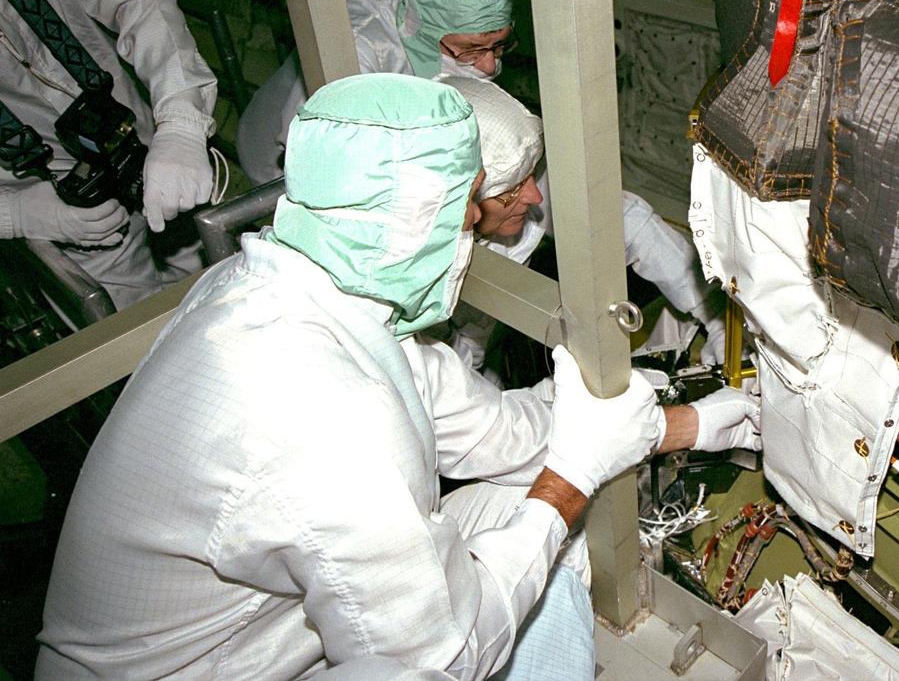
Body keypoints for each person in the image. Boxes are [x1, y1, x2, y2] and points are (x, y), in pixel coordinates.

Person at [37, 73, 760, 679]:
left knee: (525, 507)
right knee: (543, 538)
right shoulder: (319, 415)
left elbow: (497, 433)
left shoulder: (292, 292)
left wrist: (684, 423)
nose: (482, 219)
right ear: (419, 222)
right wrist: (572, 477)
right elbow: (445, 657)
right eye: (470, 205)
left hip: (252, 626)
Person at [0, 0, 215, 309]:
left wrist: (180, 123)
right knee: (136, 328)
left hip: (139, 134)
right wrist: (14, 214)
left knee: (214, 282)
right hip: (49, 200)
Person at [440, 75, 729, 373]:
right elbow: (447, 387)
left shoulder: (509, 177)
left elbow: (627, 223)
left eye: (530, 176)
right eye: (511, 190)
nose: (535, 196)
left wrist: (715, 315)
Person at [236, 0, 514, 186]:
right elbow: (317, 159)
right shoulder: (355, 50)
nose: (489, 66)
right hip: (281, 169)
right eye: (470, 50)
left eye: (498, 46)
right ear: (423, 28)